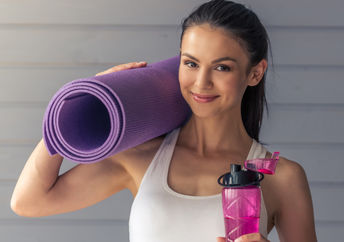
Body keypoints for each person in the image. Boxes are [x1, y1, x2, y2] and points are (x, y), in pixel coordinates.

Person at [11, 0, 317, 241]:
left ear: (255, 73)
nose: (202, 82)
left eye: (222, 68)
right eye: (191, 63)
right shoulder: (140, 157)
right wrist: (69, 114)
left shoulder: (281, 177)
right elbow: (29, 201)